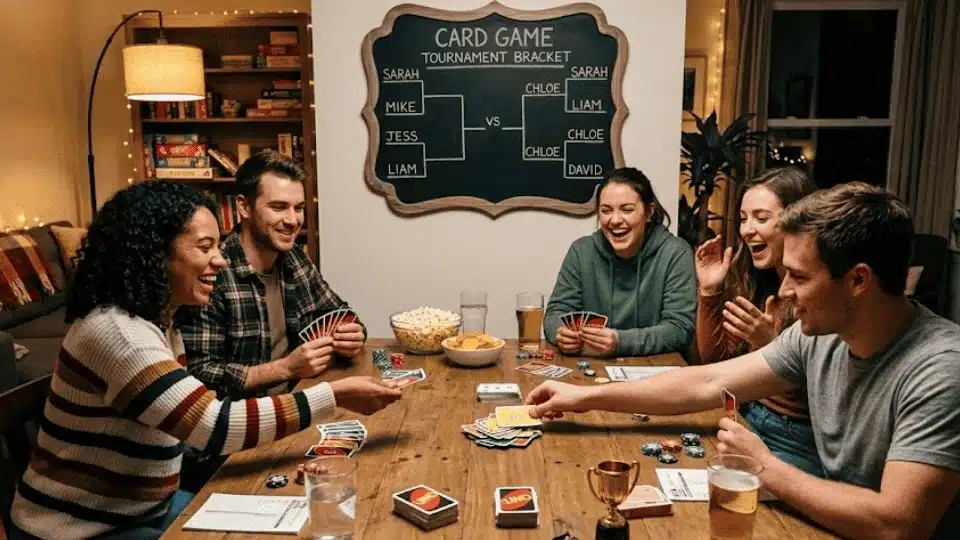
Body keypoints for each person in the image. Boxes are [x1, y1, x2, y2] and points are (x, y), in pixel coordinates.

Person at [525, 182, 960, 539]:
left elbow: (898, 525)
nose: (786, 291)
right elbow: (707, 382)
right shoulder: (820, 337)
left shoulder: (941, 368)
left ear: (858, 281)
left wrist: (765, 467)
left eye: (800, 276)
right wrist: (585, 397)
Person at [8, 182, 402, 540]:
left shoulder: (158, 323)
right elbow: (212, 426)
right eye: (204, 248)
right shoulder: (119, 334)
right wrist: (333, 394)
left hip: (148, 509)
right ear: (155, 253)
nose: (221, 260)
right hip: (82, 531)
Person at [177, 150, 366, 401]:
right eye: (279, 207)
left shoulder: (296, 258)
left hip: (302, 400)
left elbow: (342, 315)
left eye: (298, 208)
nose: (292, 220)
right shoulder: (213, 272)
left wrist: (353, 336)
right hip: (245, 423)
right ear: (244, 207)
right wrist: (285, 368)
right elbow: (199, 375)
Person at [694, 167, 823, 477]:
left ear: (797, 222)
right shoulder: (756, 283)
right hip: (747, 417)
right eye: (742, 218)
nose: (747, 230)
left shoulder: (822, 292)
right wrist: (709, 291)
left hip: (796, 439)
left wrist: (771, 344)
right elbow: (715, 362)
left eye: (761, 218)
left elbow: (828, 399)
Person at [543, 167, 696, 357]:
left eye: (627, 210)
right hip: (591, 370)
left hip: (657, 372)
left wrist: (621, 341)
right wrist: (561, 333)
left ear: (648, 213)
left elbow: (680, 329)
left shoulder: (675, 253)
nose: (615, 220)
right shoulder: (581, 251)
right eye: (606, 211)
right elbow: (555, 314)